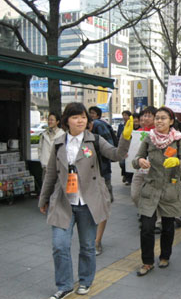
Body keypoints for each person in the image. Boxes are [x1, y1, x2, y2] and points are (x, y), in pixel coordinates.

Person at [38, 103, 132, 299]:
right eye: (75, 117)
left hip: (88, 203)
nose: (80, 120)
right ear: (67, 121)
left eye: (83, 117)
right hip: (64, 202)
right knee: (59, 245)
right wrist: (44, 198)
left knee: (88, 246)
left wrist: (126, 137)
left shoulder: (95, 140)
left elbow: (117, 155)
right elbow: (51, 175)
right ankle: (64, 286)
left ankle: (86, 280)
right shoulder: (58, 143)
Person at [133, 107, 181, 276]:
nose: (159, 121)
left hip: (170, 188)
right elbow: (135, 160)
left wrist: (177, 162)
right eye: (157, 118)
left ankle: (165, 256)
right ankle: (147, 262)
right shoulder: (149, 139)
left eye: (163, 118)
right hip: (150, 187)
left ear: (171, 121)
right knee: (146, 227)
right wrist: (141, 161)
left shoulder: (179, 141)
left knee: (167, 227)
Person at [88, 106, 118, 256]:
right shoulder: (69, 139)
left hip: (101, 174)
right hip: (83, 181)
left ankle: (97, 241)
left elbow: (113, 151)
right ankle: (92, 240)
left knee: (102, 207)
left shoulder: (98, 129)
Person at [38, 112, 65, 179]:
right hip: (45, 168)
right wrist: (42, 161)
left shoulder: (62, 135)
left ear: (57, 122)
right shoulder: (44, 135)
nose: (49, 122)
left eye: (52, 120)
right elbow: (40, 149)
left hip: (58, 169)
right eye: (49, 120)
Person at [117, 110, 133, 185]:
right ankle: (124, 174)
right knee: (122, 163)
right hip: (122, 145)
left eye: (126, 115)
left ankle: (128, 178)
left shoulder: (132, 124)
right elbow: (118, 135)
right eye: (123, 115)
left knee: (128, 162)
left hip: (131, 146)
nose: (124, 117)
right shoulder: (121, 125)